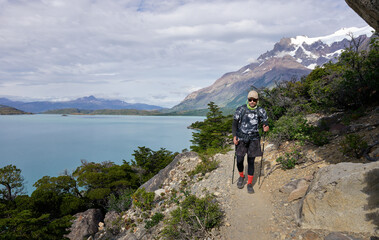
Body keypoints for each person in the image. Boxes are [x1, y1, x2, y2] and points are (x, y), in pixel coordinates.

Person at [232, 90, 269, 194]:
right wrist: (234, 136)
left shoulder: (261, 111)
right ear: (247, 99)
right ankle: (241, 176)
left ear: (257, 100)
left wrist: (266, 126)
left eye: (254, 100)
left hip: (254, 139)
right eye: (250, 99)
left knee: (251, 161)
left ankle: (249, 183)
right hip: (241, 138)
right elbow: (234, 124)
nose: (252, 101)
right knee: (239, 160)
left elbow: (265, 122)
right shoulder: (240, 109)